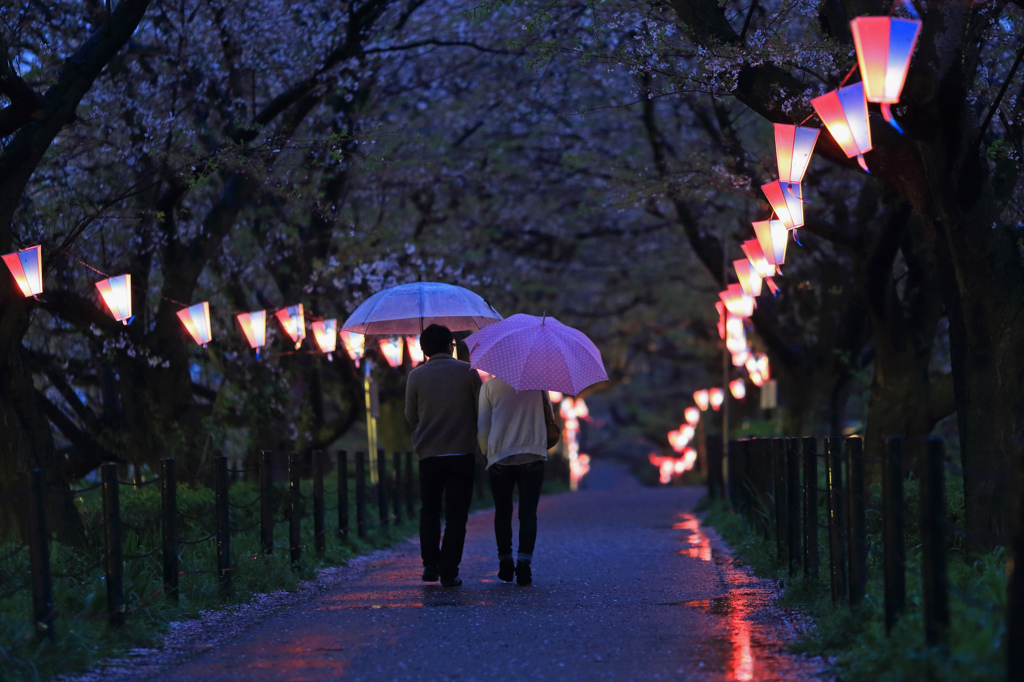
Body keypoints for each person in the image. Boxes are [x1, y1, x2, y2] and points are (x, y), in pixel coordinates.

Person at [405, 324, 482, 587]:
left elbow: (411, 417)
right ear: (451, 345)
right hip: (462, 452)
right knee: (456, 515)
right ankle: (449, 570)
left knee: (430, 510)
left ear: (423, 348)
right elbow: (479, 410)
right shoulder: (468, 372)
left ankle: (430, 565)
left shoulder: (416, 377)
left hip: (429, 454)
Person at [476, 375, 550, 586]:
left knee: (503, 511)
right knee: (528, 514)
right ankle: (524, 565)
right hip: (532, 455)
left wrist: (486, 455)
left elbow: (483, 427)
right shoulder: (539, 386)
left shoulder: (489, 387)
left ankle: (505, 563)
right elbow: (549, 418)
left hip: (500, 457)